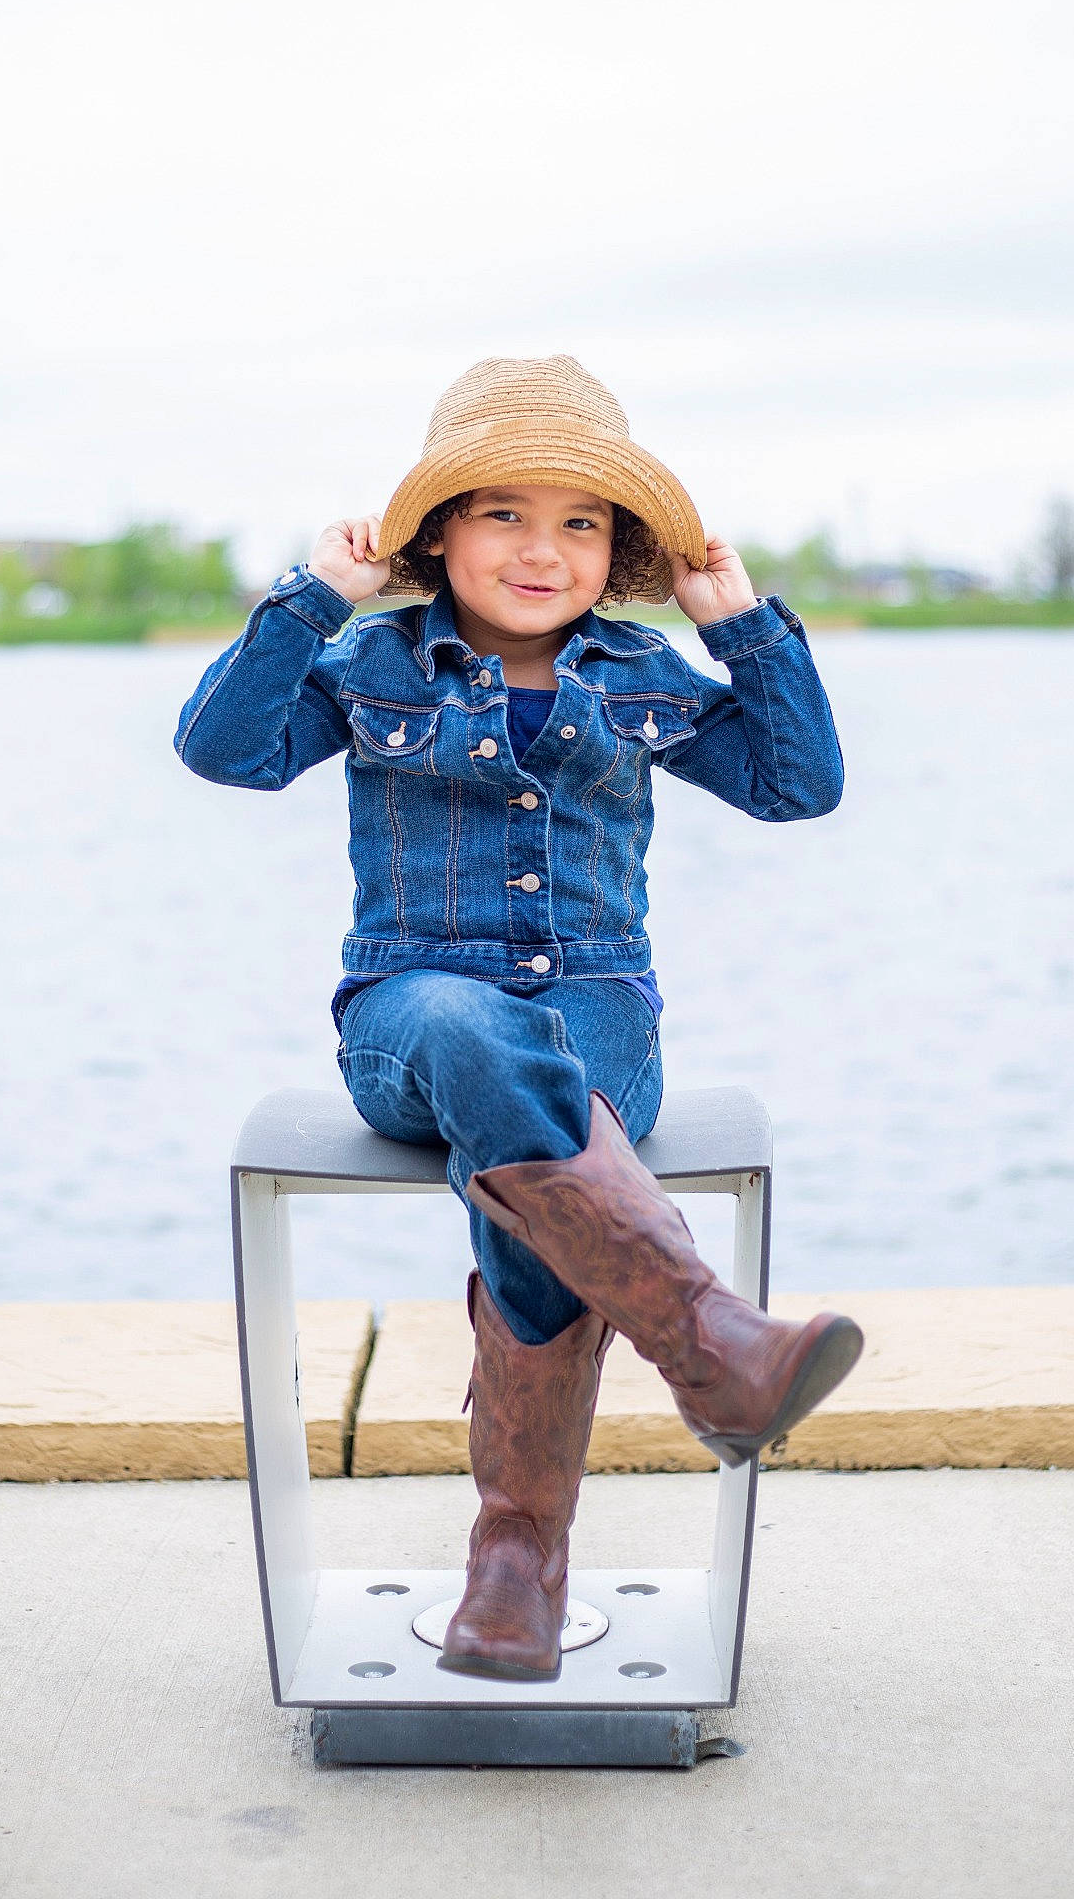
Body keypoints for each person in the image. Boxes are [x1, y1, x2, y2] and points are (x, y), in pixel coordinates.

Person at [175, 355, 863, 1684]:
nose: (541, 549)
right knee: (484, 1043)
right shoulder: (373, 658)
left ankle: (514, 1569)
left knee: (551, 1123)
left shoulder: (636, 670)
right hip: (408, 1010)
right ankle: (704, 1343)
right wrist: (312, 598)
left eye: (581, 521)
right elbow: (222, 751)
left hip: (602, 1004)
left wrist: (739, 621)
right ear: (436, 534)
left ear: (620, 550)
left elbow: (801, 787)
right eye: (502, 513)